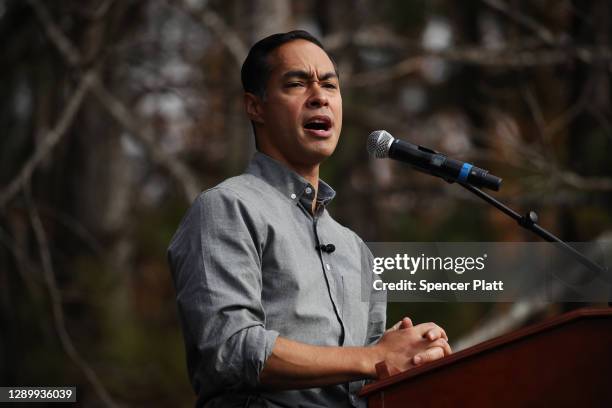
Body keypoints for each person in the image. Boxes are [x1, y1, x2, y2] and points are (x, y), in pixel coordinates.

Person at [167, 30, 451, 408]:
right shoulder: (227, 207)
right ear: (255, 107)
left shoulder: (356, 249)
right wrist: (373, 357)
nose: (319, 96)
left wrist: (414, 357)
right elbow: (229, 349)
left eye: (330, 85)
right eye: (297, 83)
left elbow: (370, 382)